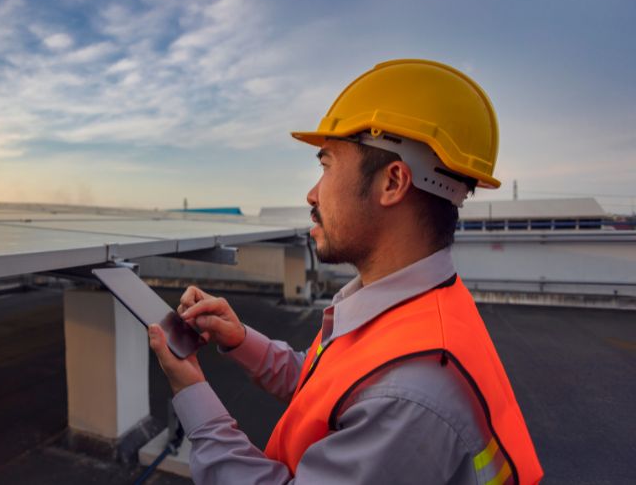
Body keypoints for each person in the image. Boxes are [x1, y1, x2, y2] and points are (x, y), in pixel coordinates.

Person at [147, 59, 543, 484]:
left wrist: (190, 393)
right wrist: (240, 339)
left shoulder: (411, 394)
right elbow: (323, 384)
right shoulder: (408, 310)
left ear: (393, 183)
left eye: (327, 165)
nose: (312, 193)